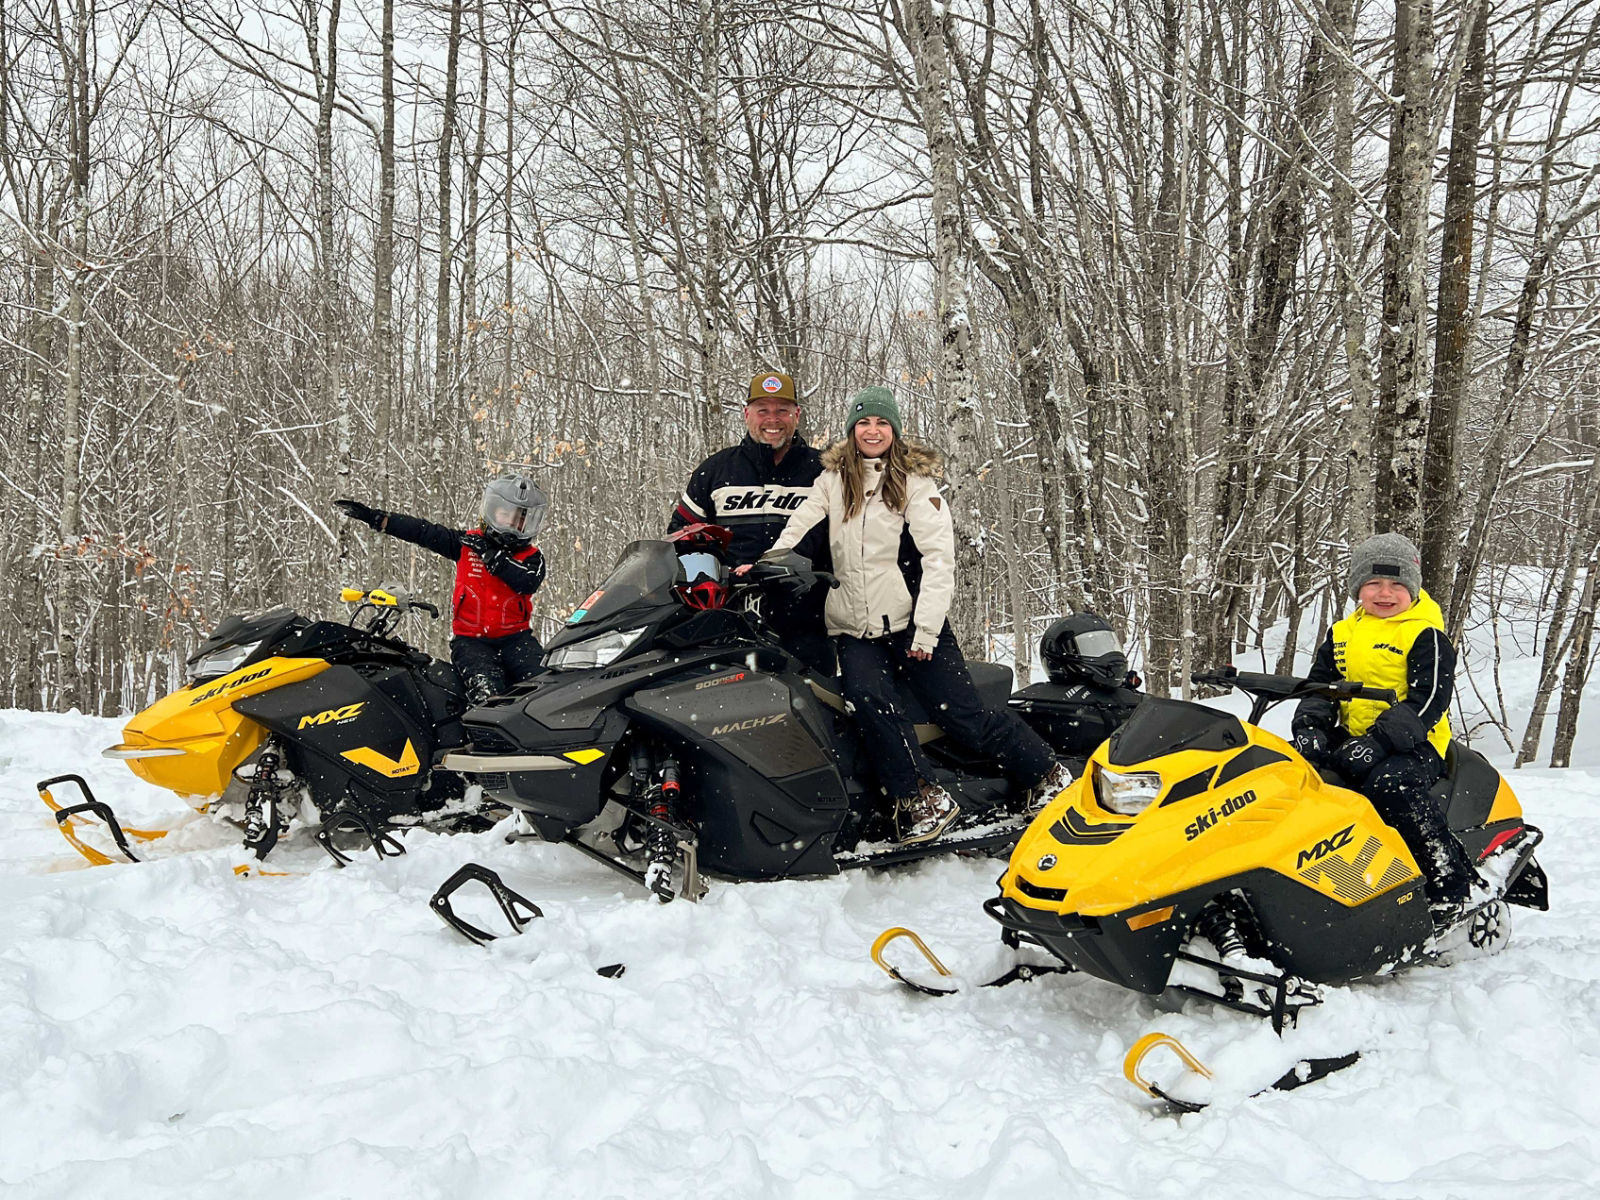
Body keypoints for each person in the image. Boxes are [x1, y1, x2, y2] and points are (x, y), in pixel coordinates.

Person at [751, 386, 1072, 845]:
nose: (872, 430)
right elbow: (799, 524)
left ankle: (1046, 773)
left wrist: (925, 631)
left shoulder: (916, 483)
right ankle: (921, 798)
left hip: (912, 623)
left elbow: (939, 560)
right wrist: (768, 560)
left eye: (881, 422)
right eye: (863, 422)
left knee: (961, 715)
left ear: (894, 429)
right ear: (852, 430)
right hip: (855, 629)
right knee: (870, 705)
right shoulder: (832, 481)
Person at [1290, 532, 1483, 928]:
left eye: (1397, 584)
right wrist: (1312, 726)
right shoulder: (1343, 633)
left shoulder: (1424, 633)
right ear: (1358, 587)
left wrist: (1379, 742)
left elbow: (1427, 700)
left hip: (1417, 744)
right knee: (1287, 771)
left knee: (1388, 785)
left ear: (1412, 590)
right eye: (1374, 582)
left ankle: (1448, 882)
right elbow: (1320, 686)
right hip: (1354, 737)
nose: (1385, 593)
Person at [669, 371, 834, 674]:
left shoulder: (824, 471)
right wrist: (708, 578)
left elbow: (847, 539)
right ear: (746, 414)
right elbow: (682, 538)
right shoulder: (716, 471)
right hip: (729, 621)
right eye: (763, 410)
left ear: (797, 414)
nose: (773, 419)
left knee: (816, 711)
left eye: (782, 410)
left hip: (807, 620)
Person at [335, 476, 548, 705]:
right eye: (506, 515)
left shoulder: (531, 558)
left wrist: (496, 559)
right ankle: (488, 738)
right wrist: (380, 519)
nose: (513, 524)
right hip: (472, 643)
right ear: (492, 511)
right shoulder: (467, 545)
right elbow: (423, 532)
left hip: (517, 640)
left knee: (544, 688)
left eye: (520, 519)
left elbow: (527, 581)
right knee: (487, 696)